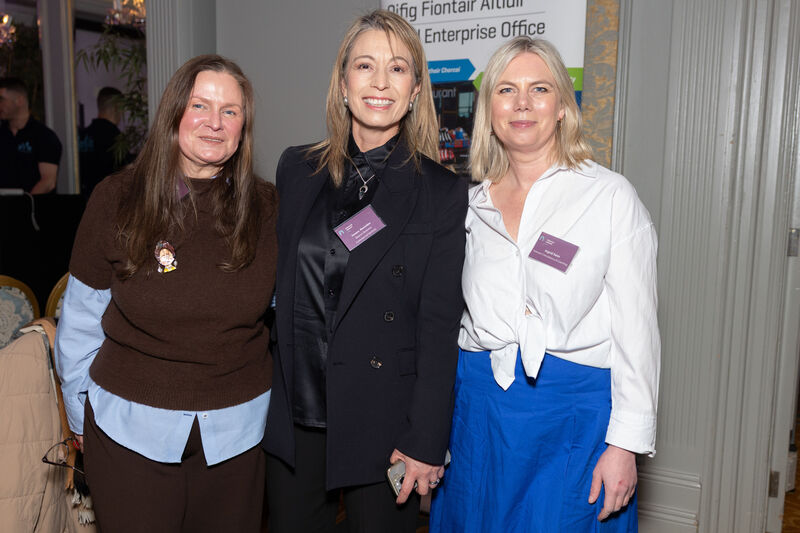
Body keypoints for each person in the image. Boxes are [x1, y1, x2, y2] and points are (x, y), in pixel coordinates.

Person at [429, 37, 660, 532]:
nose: (522, 103)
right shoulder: (468, 206)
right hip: (477, 417)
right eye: (507, 89)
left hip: (573, 422)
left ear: (562, 108)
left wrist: (625, 446)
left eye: (539, 88)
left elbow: (637, 337)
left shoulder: (610, 198)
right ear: (489, 108)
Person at [262, 9, 468, 533]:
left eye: (397, 68)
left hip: (385, 422)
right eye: (365, 66)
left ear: (417, 88)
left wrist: (426, 439)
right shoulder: (296, 168)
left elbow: (439, 329)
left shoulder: (442, 194)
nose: (380, 82)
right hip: (296, 415)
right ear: (343, 82)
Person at [55, 55, 277, 532]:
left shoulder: (269, 208)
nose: (214, 123)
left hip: (236, 438)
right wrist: (81, 420)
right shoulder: (117, 199)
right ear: (175, 113)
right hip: (127, 432)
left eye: (230, 111)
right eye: (201, 105)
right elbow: (78, 321)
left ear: (244, 125)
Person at [0, 77, 62, 193]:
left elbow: (48, 182)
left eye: (2, 99)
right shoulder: (2, 134)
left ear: (19, 101)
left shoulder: (44, 136)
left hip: (35, 208)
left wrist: (25, 206)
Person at [78, 86, 126, 198]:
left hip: (84, 201)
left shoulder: (83, 135)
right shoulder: (116, 137)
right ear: (117, 108)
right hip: (107, 200)